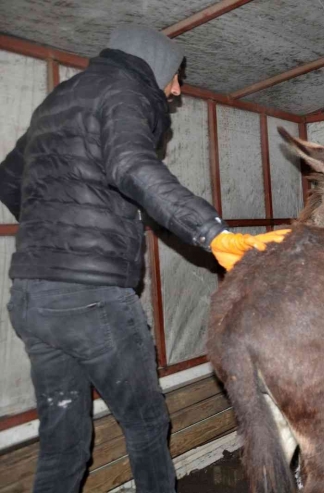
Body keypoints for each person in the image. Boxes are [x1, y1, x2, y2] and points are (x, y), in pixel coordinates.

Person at [0, 25, 288, 493]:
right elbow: (132, 165)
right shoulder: (122, 91)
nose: (176, 90)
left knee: (63, 439)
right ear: (151, 64)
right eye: (174, 77)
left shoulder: (60, 99)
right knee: (147, 425)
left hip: (33, 297)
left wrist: (55, 235)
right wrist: (212, 233)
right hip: (91, 301)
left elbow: (9, 178)